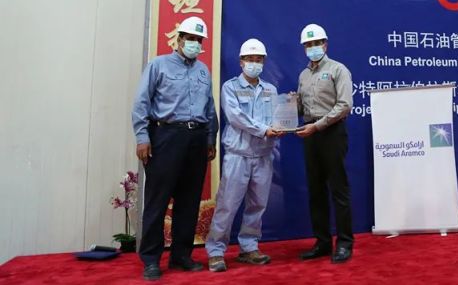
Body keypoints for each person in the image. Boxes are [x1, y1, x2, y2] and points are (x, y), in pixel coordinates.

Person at [132, 16, 218, 281]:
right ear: (179, 39)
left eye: (198, 40)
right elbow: (142, 103)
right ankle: (151, 259)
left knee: (189, 201)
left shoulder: (203, 70)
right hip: (166, 136)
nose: (194, 44)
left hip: (196, 139)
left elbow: (210, 108)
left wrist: (210, 139)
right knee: (157, 200)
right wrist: (142, 137)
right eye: (190, 38)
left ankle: (181, 255)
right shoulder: (158, 65)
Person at [206, 38, 282, 272]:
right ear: (241, 61)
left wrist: (282, 126)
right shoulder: (230, 87)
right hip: (237, 155)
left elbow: (278, 117)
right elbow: (236, 117)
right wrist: (264, 130)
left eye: (258, 59)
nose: (254, 63)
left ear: (264, 62)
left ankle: (249, 247)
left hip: (263, 156)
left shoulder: (271, 90)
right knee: (227, 205)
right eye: (250, 59)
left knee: (257, 205)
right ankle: (216, 251)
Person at [295, 24, 354, 263]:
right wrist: (290, 105)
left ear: (325, 45)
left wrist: (318, 126)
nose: (312, 48)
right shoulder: (303, 75)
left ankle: (345, 243)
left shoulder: (338, 69)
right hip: (310, 134)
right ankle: (322, 242)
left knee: (338, 189)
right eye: (308, 45)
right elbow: (301, 109)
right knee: (316, 190)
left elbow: (344, 105)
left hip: (331, 132)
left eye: (316, 43)